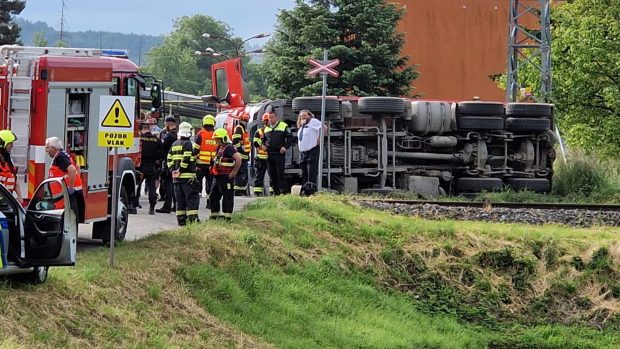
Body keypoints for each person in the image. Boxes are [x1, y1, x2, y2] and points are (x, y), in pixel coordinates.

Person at [167, 122, 200, 226]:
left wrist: (173, 170)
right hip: (188, 178)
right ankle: (192, 220)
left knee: (179, 201)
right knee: (191, 199)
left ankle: (181, 221)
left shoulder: (174, 144)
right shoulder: (188, 144)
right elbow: (186, 158)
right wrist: (180, 170)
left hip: (176, 179)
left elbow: (169, 158)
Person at [45, 136, 85, 223]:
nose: (46, 151)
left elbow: (72, 169)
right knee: (70, 219)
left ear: (54, 148)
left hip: (64, 196)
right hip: (65, 194)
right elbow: (77, 167)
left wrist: (70, 187)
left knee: (65, 220)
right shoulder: (63, 155)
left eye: (47, 148)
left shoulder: (60, 157)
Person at [209, 128, 242, 220]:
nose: (216, 141)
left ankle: (226, 216)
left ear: (223, 138)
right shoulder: (219, 148)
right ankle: (214, 214)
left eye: (218, 139)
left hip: (226, 177)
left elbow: (239, 158)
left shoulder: (229, 148)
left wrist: (234, 171)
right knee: (213, 195)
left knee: (227, 196)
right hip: (218, 176)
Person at [136, 121, 164, 215]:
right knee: (152, 188)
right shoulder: (156, 139)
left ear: (142, 128)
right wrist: (156, 159)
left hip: (140, 165)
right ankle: (152, 207)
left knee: (137, 185)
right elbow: (162, 153)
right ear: (150, 128)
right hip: (151, 166)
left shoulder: (139, 138)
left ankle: (134, 205)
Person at [263, 110, 292, 195]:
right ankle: (276, 193)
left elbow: (290, 137)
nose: (270, 119)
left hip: (279, 153)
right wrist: (263, 145)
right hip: (269, 154)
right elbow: (263, 140)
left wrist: (285, 147)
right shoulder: (267, 128)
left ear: (276, 117)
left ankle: (283, 191)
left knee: (280, 174)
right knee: (272, 174)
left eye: (272, 117)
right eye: (269, 118)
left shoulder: (283, 126)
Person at [296, 109, 328, 187]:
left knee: (312, 170)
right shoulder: (302, 126)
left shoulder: (313, 121)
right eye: (301, 116)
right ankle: (306, 187)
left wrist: (320, 139)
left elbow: (324, 128)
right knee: (304, 170)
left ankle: (311, 188)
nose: (303, 117)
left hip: (312, 150)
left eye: (305, 115)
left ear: (309, 115)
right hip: (303, 152)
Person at [193, 114, 217, 208]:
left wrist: (193, 161)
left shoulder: (201, 134)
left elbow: (195, 150)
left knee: (197, 183)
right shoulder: (215, 134)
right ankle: (210, 203)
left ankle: (196, 202)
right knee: (210, 184)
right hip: (211, 164)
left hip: (200, 164)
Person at [156, 115, 178, 213]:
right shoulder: (178, 135)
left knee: (168, 185)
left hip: (168, 162)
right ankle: (175, 205)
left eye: (165, 124)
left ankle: (167, 206)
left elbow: (163, 150)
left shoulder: (168, 136)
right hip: (177, 162)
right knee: (175, 185)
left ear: (168, 124)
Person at [0, 130, 22, 204]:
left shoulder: (7, 158)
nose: (12, 145)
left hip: (7, 200)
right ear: (2, 144)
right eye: (10, 143)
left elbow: (14, 178)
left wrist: (20, 197)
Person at [232, 112, 251, 196]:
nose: (246, 121)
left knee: (244, 175)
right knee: (240, 174)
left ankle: (242, 190)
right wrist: (240, 150)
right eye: (245, 120)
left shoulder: (243, 129)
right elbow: (235, 141)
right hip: (241, 156)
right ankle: (238, 191)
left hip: (244, 156)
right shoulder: (239, 128)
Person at [252, 113, 271, 196]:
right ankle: (257, 192)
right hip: (261, 158)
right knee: (259, 176)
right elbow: (255, 142)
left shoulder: (272, 131)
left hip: (271, 158)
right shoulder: (259, 132)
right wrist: (261, 143)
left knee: (272, 175)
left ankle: (272, 191)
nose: (267, 123)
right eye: (266, 121)